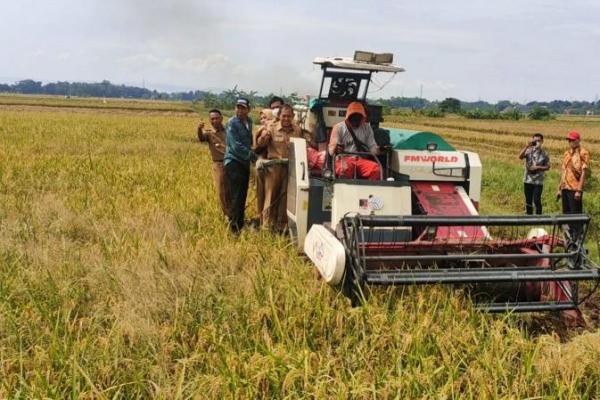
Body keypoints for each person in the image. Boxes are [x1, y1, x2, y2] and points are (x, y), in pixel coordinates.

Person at [256, 104, 304, 232]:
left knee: (285, 197)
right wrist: (263, 138)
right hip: (274, 167)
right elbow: (259, 145)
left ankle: (281, 226)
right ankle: (266, 225)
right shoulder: (271, 128)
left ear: (293, 116)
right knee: (271, 195)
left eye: (289, 116)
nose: (286, 119)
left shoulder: (297, 130)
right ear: (279, 116)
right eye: (284, 116)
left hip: (289, 168)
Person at [224, 98, 256, 233]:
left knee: (242, 195)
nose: (240, 110)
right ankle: (234, 229)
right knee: (236, 196)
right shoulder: (232, 123)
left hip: (244, 163)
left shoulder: (249, 122)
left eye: (243, 108)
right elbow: (235, 146)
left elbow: (250, 141)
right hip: (234, 162)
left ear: (248, 110)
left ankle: (240, 224)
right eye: (238, 107)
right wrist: (252, 155)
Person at [328, 101, 381, 180]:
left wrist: (378, 150)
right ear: (348, 116)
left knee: (376, 169)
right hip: (343, 159)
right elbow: (331, 150)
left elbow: (372, 146)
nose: (355, 118)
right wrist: (336, 148)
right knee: (344, 169)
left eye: (358, 116)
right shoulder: (339, 127)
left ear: (362, 117)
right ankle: (345, 190)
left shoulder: (367, 128)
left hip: (360, 160)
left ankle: (367, 189)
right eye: (353, 116)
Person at [198, 109, 230, 217]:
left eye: (217, 118)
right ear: (209, 120)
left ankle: (236, 215)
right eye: (212, 119)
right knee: (222, 191)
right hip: (219, 165)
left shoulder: (228, 131)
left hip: (231, 163)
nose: (215, 120)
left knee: (232, 190)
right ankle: (228, 216)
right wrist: (199, 129)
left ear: (221, 118)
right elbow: (201, 138)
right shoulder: (209, 134)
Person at [557, 131, 591, 214]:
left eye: (572, 140)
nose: (570, 142)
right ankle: (567, 227)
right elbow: (564, 171)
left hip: (575, 189)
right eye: (569, 140)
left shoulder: (583, 153)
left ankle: (576, 227)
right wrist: (559, 188)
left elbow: (584, 173)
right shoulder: (567, 153)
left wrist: (579, 190)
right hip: (565, 187)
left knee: (575, 213)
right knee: (566, 213)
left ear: (578, 140)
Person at [518, 133, 550, 215]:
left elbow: (548, 167)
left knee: (536, 199)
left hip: (538, 181)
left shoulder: (545, 154)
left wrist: (538, 168)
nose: (537, 143)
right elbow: (520, 157)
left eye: (539, 141)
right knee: (528, 199)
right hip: (527, 179)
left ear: (542, 141)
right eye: (535, 141)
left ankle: (539, 216)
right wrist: (527, 146)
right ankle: (529, 216)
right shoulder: (529, 151)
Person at [253, 109, 274, 225]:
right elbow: (256, 149)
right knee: (261, 194)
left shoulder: (275, 130)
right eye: (261, 118)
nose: (263, 121)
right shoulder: (261, 132)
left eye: (265, 118)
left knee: (270, 194)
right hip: (263, 166)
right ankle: (262, 219)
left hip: (272, 168)